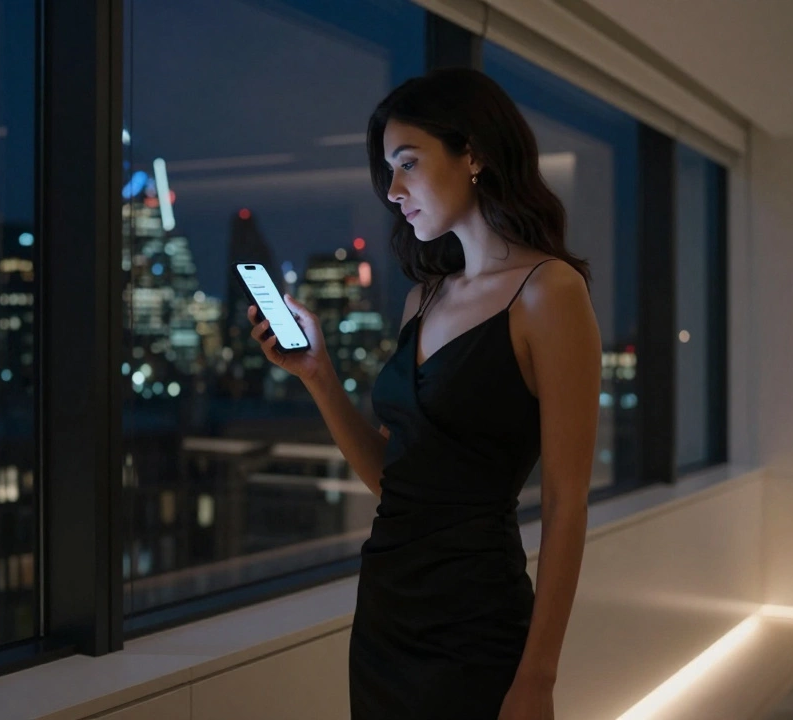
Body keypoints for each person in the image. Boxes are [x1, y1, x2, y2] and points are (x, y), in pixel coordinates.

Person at [247, 67, 601, 720]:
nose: (393, 189)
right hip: (385, 617)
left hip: (477, 626)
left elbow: (565, 501)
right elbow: (399, 483)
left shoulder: (550, 293)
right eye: (387, 169)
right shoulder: (423, 298)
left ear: (473, 154)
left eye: (407, 164)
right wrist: (320, 377)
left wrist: (538, 677)